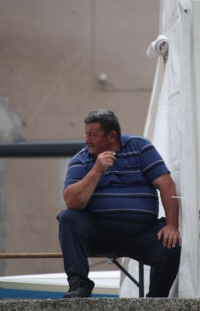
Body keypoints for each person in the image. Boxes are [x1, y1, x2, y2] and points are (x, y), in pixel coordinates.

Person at [57, 109, 181, 298]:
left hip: (141, 233)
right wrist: (96, 171)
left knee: (171, 242)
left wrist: (172, 225)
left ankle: (156, 302)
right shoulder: (81, 160)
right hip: (100, 234)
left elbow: (167, 185)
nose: (87, 140)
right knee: (69, 218)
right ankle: (79, 286)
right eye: (86, 134)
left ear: (112, 136)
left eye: (93, 135)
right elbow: (72, 202)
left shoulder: (139, 147)